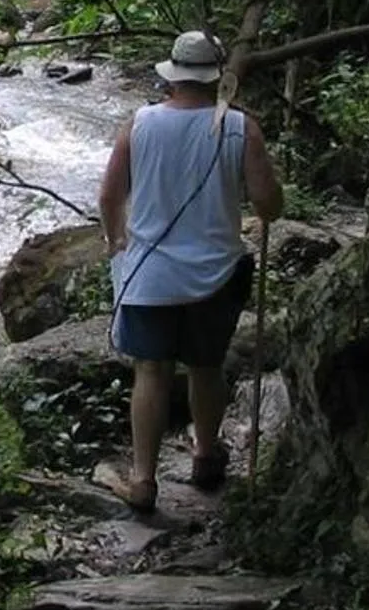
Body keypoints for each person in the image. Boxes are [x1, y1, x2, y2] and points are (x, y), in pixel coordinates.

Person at [95, 29, 284, 513]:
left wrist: (117, 242)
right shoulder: (240, 128)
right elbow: (269, 205)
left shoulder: (139, 124)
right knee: (206, 366)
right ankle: (205, 454)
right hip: (215, 274)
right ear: (216, 77)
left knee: (151, 371)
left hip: (151, 274)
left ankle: (143, 478)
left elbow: (110, 196)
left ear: (172, 76)